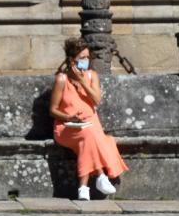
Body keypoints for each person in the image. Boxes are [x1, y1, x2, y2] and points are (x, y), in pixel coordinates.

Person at [48, 37, 128, 200]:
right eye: (81, 58)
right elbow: (53, 110)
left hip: (90, 126)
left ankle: (84, 188)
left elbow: (96, 100)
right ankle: (100, 176)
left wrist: (82, 83)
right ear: (72, 60)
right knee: (95, 137)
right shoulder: (62, 79)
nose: (85, 61)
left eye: (87, 57)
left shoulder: (92, 76)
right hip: (67, 127)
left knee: (92, 137)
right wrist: (68, 116)